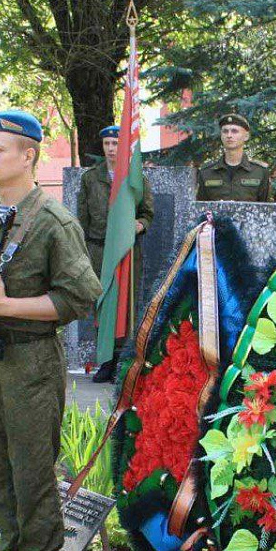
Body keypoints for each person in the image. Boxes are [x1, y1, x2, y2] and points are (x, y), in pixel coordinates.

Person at [0, 110, 102, 551]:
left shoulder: (54, 223)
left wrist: (6, 306)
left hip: (31, 364)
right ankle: (11, 550)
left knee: (33, 471)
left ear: (28, 156)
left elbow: (81, 297)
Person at [77, 124, 155, 383]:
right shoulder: (90, 178)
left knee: (125, 305)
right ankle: (106, 361)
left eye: (116, 144)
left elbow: (147, 212)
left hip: (126, 250)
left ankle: (123, 360)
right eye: (107, 144)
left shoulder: (135, 178)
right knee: (101, 304)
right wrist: (82, 252)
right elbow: (82, 218)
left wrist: (140, 224)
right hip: (98, 250)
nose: (111, 149)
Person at [196, 113, 272, 202]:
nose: (229, 135)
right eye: (225, 131)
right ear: (221, 136)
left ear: (246, 136)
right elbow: (200, 207)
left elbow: (266, 207)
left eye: (234, 131)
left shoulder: (260, 172)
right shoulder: (206, 172)